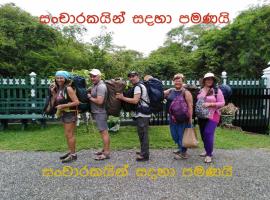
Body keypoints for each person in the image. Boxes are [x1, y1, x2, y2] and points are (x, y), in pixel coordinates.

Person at [116, 71, 150, 161]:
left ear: (138, 76)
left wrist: (122, 98)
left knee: (143, 134)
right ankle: (143, 151)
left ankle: (145, 155)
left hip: (142, 113)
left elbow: (135, 101)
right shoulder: (140, 85)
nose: (131, 78)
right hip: (142, 113)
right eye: (130, 77)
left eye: (133, 76)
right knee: (142, 133)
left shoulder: (138, 87)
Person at [50, 70, 80, 163]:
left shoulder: (68, 88)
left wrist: (63, 106)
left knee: (70, 134)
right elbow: (57, 100)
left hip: (70, 113)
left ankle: (73, 155)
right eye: (57, 77)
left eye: (61, 77)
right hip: (65, 113)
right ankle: (71, 151)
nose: (59, 79)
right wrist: (53, 93)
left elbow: (76, 102)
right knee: (67, 134)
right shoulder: (60, 88)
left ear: (65, 78)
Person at [197, 72, 225, 163]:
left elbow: (222, 103)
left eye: (211, 79)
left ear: (213, 81)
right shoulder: (200, 90)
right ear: (204, 80)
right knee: (203, 134)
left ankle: (209, 154)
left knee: (208, 133)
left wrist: (210, 104)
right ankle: (206, 149)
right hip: (202, 115)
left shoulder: (217, 91)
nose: (209, 81)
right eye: (207, 79)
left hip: (213, 115)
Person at [164, 73, 193, 160]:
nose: (177, 82)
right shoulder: (171, 91)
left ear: (183, 82)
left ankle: (183, 153)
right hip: (173, 118)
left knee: (182, 135)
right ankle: (180, 148)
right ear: (173, 82)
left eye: (179, 81)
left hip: (183, 118)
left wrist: (190, 119)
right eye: (176, 80)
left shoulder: (186, 92)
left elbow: (190, 105)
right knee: (175, 134)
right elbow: (160, 94)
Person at [88, 69, 111, 160]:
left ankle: (106, 153)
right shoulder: (95, 85)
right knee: (102, 132)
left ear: (99, 76)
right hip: (98, 112)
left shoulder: (101, 86)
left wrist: (90, 97)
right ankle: (104, 149)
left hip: (100, 112)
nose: (92, 78)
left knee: (104, 132)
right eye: (91, 76)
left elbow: (100, 101)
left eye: (94, 76)